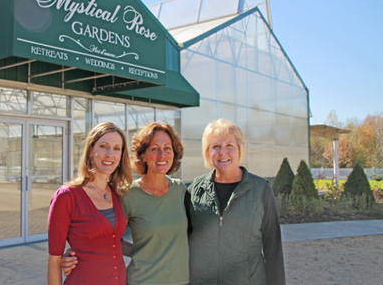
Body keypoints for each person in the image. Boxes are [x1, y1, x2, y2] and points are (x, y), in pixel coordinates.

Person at [186, 119, 285, 284]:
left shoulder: (261, 190)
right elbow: (183, 243)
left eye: (229, 145)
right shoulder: (194, 190)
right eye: (215, 146)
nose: (222, 152)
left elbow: (273, 249)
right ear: (207, 152)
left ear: (239, 150)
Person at [47, 121, 133, 285]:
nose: (110, 154)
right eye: (103, 146)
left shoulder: (118, 194)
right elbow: (54, 261)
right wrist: (65, 258)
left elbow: (113, 243)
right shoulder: (67, 197)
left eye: (117, 148)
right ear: (90, 152)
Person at [121, 122, 189, 284]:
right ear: (142, 155)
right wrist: (141, 252)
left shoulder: (180, 190)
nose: (162, 154)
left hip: (181, 280)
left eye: (167, 148)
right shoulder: (128, 194)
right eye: (154, 148)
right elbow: (111, 239)